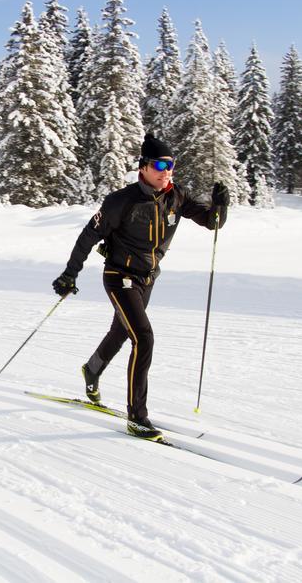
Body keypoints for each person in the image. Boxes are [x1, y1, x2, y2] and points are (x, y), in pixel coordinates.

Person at [52, 133, 229, 440]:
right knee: (144, 338)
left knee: (122, 331)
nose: (166, 170)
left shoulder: (177, 197)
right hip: (119, 276)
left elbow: (212, 222)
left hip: (147, 279)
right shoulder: (121, 201)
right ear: (144, 167)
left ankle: (92, 370)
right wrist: (70, 274)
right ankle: (137, 416)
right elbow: (87, 237)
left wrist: (220, 206)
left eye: (170, 164)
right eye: (160, 164)